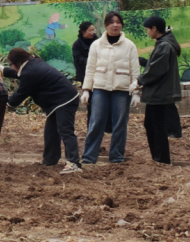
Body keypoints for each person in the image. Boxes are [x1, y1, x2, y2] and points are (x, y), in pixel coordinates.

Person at [2, 48, 82, 174]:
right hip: (56, 101)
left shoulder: (30, 72)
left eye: (10, 65)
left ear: (17, 63)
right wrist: (2, 70)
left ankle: (74, 163)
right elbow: (20, 74)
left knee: (65, 131)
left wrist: (7, 104)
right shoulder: (32, 62)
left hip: (64, 100)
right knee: (51, 131)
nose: (11, 67)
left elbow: (22, 92)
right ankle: (50, 160)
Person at [81, 11, 141, 166]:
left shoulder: (129, 46)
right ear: (106, 25)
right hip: (100, 88)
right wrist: (86, 89)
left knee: (120, 123)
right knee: (96, 122)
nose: (115, 25)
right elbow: (90, 69)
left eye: (118, 22)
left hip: (122, 90)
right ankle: (88, 157)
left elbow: (135, 70)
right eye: (111, 22)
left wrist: (136, 92)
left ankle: (116, 157)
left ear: (121, 24)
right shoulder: (96, 45)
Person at [137, 16, 182, 164]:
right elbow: (154, 64)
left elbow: (156, 70)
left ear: (154, 28)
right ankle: (158, 157)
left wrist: (139, 80)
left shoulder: (164, 46)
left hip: (159, 92)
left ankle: (162, 159)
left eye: (147, 29)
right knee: (151, 124)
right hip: (158, 92)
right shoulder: (163, 43)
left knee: (157, 125)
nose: (147, 32)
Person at [72, 22, 98, 129]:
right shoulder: (77, 45)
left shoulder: (98, 42)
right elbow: (78, 60)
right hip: (86, 77)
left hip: (100, 76)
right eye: (90, 30)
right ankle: (91, 130)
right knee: (91, 106)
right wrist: (93, 61)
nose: (93, 32)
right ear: (83, 32)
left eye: (94, 30)